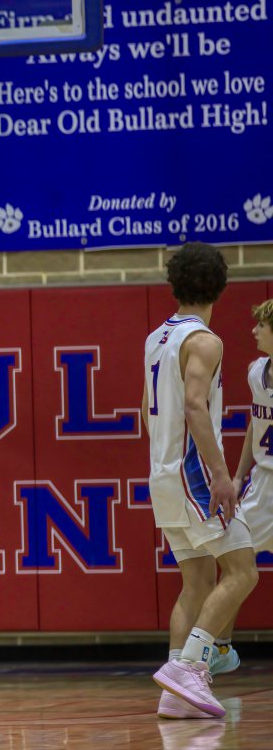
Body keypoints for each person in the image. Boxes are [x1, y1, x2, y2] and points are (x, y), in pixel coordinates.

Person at [143, 243, 258, 719]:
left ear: (175, 284)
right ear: (220, 286)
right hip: (193, 474)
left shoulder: (156, 338)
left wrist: (166, 464)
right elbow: (194, 406)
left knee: (197, 580)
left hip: (163, 474)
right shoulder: (205, 341)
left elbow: (146, 411)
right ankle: (189, 667)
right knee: (243, 570)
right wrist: (220, 475)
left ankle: (176, 693)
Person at [212, 299, 273, 678]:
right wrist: (237, 477)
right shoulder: (256, 372)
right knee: (233, 562)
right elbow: (255, 424)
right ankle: (221, 648)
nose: (253, 330)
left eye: (261, 325)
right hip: (262, 484)